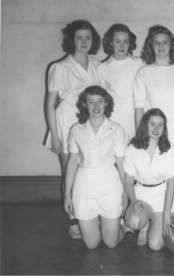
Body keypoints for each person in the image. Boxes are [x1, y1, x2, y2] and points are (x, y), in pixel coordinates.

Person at [44, 20, 102, 239]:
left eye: (88, 37)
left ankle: (90, 214)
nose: (84, 42)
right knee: (71, 172)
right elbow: (50, 104)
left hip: (89, 122)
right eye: (79, 37)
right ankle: (74, 219)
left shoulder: (96, 63)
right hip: (67, 121)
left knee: (89, 169)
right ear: (71, 40)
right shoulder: (59, 67)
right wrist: (56, 137)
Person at [64, 85, 127, 249]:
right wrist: (67, 195)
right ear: (84, 104)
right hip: (84, 185)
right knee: (91, 245)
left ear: (106, 103)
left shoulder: (117, 129)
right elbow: (72, 163)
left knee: (111, 243)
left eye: (100, 102)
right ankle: (101, 225)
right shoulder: (76, 130)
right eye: (91, 102)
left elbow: (120, 163)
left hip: (110, 184)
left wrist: (126, 192)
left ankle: (120, 227)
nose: (96, 107)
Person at [133, 25, 174, 157]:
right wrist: (141, 137)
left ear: (171, 44)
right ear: (151, 45)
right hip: (154, 132)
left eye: (165, 42)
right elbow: (139, 108)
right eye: (157, 42)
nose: (161, 46)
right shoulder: (143, 72)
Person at [123, 108, 174, 251]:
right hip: (142, 195)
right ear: (145, 125)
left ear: (164, 128)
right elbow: (128, 181)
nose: (156, 128)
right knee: (133, 222)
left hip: (162, 195)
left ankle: (154, 223)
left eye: (160, 125)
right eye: (152, 124)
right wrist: (134, 201)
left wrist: (167, 213)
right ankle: (144, 225)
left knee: (155, 245)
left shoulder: (168, 149)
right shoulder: (132, 148)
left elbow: (171, 183)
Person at [98, 23, 144, 141]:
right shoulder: (103, 68)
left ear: (130, 43)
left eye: (126, 41)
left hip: (137, 117)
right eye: (117, 41)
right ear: (111, 43)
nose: (122, 46)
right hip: (115, 119)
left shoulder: (139, 64)